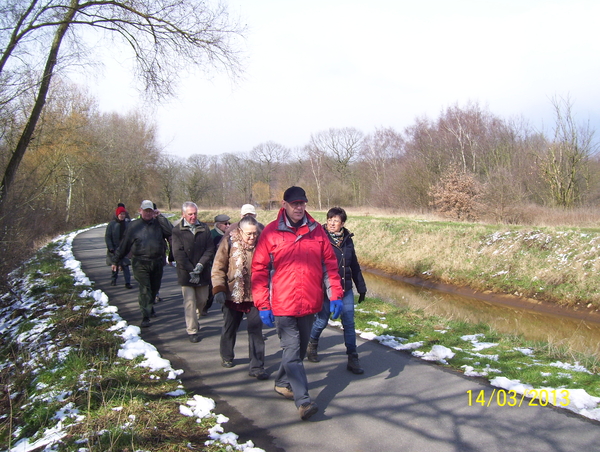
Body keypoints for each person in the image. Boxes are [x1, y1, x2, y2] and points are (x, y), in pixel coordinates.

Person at [252, 186, 343, 421]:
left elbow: (329, 266)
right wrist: (263, 304)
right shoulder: (271, 233)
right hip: (282, 304)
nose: (299, 208)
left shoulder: (316, 232)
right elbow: (259, 270)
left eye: (302, 203)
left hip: (309, 302)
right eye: (294, 204)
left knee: (300, 350)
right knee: (291, 351)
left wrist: (335, 295)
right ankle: (303, 401)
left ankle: (282, 381)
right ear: (285, 205)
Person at [306, 207, 367, 374]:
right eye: (330, 219)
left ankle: (353, 358)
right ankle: (312, 343)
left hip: (345, 289)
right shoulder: (319, 237)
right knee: (322, 320)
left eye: (336, 220)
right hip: (326, 289)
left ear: (343, 223)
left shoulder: (348, 240)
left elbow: (353, 265)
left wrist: (361, 287)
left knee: (349, 323)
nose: (332, 223)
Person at [211, 216, 267, 378]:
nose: (252, 237)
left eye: (255, 234)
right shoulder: (228, 242)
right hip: (232, 294)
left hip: (256, 295)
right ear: (240, 231)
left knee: (256, 330)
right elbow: (218, 266)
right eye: (248, 234)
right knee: (230, 327)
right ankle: (227, 355)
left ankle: (257, 367)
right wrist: (219, 289)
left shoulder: (263, 244)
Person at [112, 200, 173, 328]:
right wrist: (116, 260)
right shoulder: (134, 226)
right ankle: (145, 316)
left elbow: (171, 231)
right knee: (145, 289)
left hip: (157, 261)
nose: (148, 213)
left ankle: (149, 307)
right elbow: (124, 244)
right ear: (140, 211)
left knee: (154, 288)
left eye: (150, 210)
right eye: (145, 210)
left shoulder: (159, 224)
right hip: (140, 262)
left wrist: (160, 216)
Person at [171, 202, 215, 342]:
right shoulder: (177, 231)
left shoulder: (204, 228)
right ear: (183, 215)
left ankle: (196, 315)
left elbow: (210, 249)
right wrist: (191, 270)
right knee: (189, 302)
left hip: (202, 271)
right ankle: (192, 330)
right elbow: (178, 253)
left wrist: (201, 265)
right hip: (186, 273)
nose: (193, 216)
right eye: (190, 214)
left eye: (195, 213)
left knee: (202, 300)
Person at [204, 214, 231, 316]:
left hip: (227, 267)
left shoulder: (229, 234)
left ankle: (226, 310)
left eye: (229, 223)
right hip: (214, 266)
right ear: (219, 225)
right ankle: (205, 306)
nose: (228, 225)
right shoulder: (212, 235)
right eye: (225, 224)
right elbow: (209, 251)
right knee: (213, 289)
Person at [105, 206, 132, 289]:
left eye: (123, 214)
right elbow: (108, 237)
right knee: (115, 265)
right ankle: (113, 280)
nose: (122, 216)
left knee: (125, 266)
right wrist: (110, 247)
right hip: (114, 248)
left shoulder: (127, 224)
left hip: (124, 248)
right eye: (120, 214)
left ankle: (127, 282)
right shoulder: (112, 225)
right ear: (117, 215)